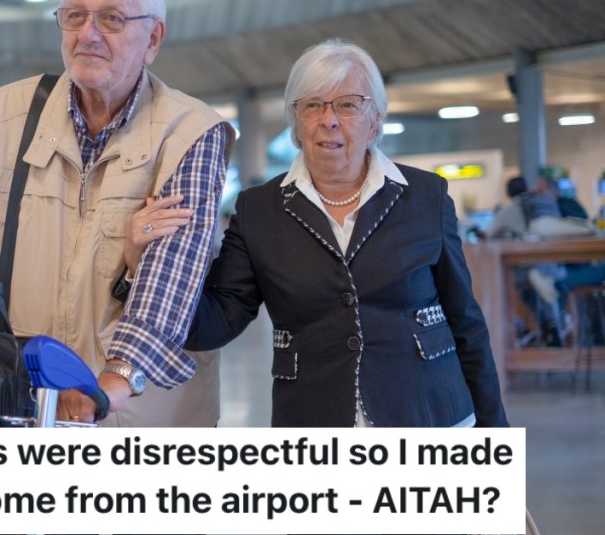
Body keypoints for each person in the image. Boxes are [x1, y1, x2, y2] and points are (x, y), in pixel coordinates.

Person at [124, 38, 508, 428]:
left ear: (375, 119)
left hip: (430, 417)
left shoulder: (426, 196)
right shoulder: (259, 210)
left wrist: (495, 436)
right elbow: (217, 321)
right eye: (312, 105)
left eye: (347, 104)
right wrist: (143, 267)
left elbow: (466, 323)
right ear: (295, 122)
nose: (329, 120)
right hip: (312, 421)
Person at [0, 0, 235, 426]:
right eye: (75, 15)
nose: (88, 34)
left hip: (141, 410)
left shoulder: (191, 132)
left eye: (111, 18)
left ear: (152, 39)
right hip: (22, 397)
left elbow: (169, 279)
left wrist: (112, 380)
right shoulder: (4, 118)